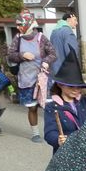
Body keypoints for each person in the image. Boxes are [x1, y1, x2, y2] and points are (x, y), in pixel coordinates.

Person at [7, 10, 56, 143]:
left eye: (20, 24)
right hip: (26, 79)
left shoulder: (41, 37)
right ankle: (35, 133)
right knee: (32, 107)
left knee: (48, 107)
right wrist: (22, 55)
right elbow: (10, 55)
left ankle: (52, 132)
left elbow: (52, 53)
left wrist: (46, 62)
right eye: (17, 25)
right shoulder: (17, 39)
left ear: (28, 24)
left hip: (42, 79)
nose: (18, 27)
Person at [43, 51, 86, 153]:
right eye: (71, 86)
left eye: (78, 87)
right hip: (66, 153)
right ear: (60, 85)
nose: (75, 90)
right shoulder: (52, 107)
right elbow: (49, 132)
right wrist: (58, 140)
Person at [49, 12, 79, 85]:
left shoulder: (54, 31)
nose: (77, 23)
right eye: (75, 20)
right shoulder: (68, 32)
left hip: (54, 69)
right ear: (68, 20)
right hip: (65, 72)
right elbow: (72, 54)